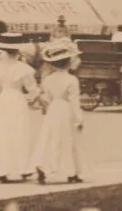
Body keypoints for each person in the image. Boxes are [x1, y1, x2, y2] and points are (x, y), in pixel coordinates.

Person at [0, 32, 40, 183]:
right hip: (18, 100)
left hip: (2, 101)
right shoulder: (24, 69)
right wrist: (34, 100)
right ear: (18, 50)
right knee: (20, 133)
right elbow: (32, 89)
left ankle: (0, 171)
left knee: (1, 135)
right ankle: (22, 168)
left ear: (3, 49)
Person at [32, 42, 86, 184]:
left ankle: (43, 165)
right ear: (68, 62)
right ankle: (71, 172)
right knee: (68, 138)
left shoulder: (48, 80)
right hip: (66, 109)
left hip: (53, 108)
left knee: (50, 137)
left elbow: (47, 98)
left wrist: (45, 107)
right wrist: (79, 119)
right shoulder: (72, 80)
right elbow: (74, 102)